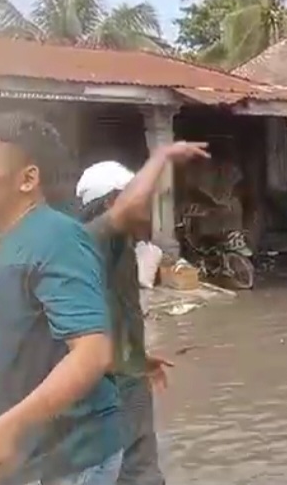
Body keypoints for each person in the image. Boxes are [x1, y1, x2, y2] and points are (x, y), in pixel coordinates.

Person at [0, 113, 122, 485]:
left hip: (70, 457)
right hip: (21, 455)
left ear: (27, 179)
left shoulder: (56, 238)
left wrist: (7, 428)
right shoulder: (3, 245)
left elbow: (91, 353)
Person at [74, 142, 210, 485]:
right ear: (111, 203)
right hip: (101, 390)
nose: (149, 207)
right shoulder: (90, 241)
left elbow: (111, 311)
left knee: (140, 471)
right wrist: (162, 155)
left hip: (126, 377)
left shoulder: (123, 248)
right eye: (141, 198)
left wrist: (136, 355)